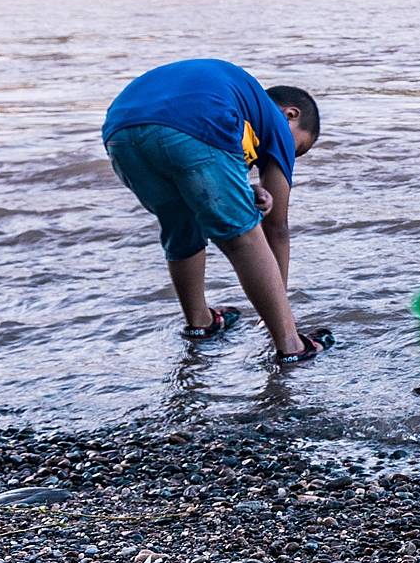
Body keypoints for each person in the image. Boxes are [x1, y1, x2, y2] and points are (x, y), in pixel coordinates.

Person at [103, 58, 328, 365]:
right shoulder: (274, 121)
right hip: (194, 122)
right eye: (296, 149)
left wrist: (243, 190)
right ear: (290, 114)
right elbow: (276, 227)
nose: (287, 157)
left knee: (180, 225)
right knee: (244, 237)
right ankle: (291, 346)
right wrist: (278, 309)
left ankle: (201, 324)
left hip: (120, 131)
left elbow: (192, 162)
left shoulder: (239, 106)